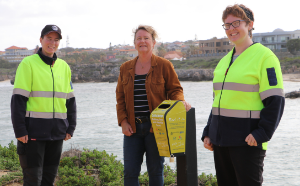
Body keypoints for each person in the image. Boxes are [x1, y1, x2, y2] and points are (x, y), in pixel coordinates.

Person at [201, 4, 285, 186]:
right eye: (227, 25)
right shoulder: (223, 61)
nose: (231, 29)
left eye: (236, 23)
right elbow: (218, 102)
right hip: (221, 141)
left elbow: (275, 101)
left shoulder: (265, 57)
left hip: (248, 142)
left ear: (250, 25)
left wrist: (262, 133)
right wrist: (209, 132)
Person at [116, 25, 191, 186]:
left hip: (156, 128)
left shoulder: (164, 65)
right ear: (134, 43)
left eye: (146, 38)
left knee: (156, 171)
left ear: (153, 42)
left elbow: (175, 89)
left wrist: (180, 101)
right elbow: (120, 97)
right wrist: (123, 121)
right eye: (139, 38)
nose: (142, 41)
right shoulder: (125, 68)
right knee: (129, 172)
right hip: (132, 128)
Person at [11, 25, 77, 185]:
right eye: (49, 38)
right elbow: (18, 100)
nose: (52, 43)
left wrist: (71, 127)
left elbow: (70, 100)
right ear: (41, 40)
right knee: (33, 180)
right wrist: (20, 130)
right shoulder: (28, 64)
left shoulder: (64, 67)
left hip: (57, 134)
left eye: (56, 40)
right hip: (32, 134)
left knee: (49, 180)